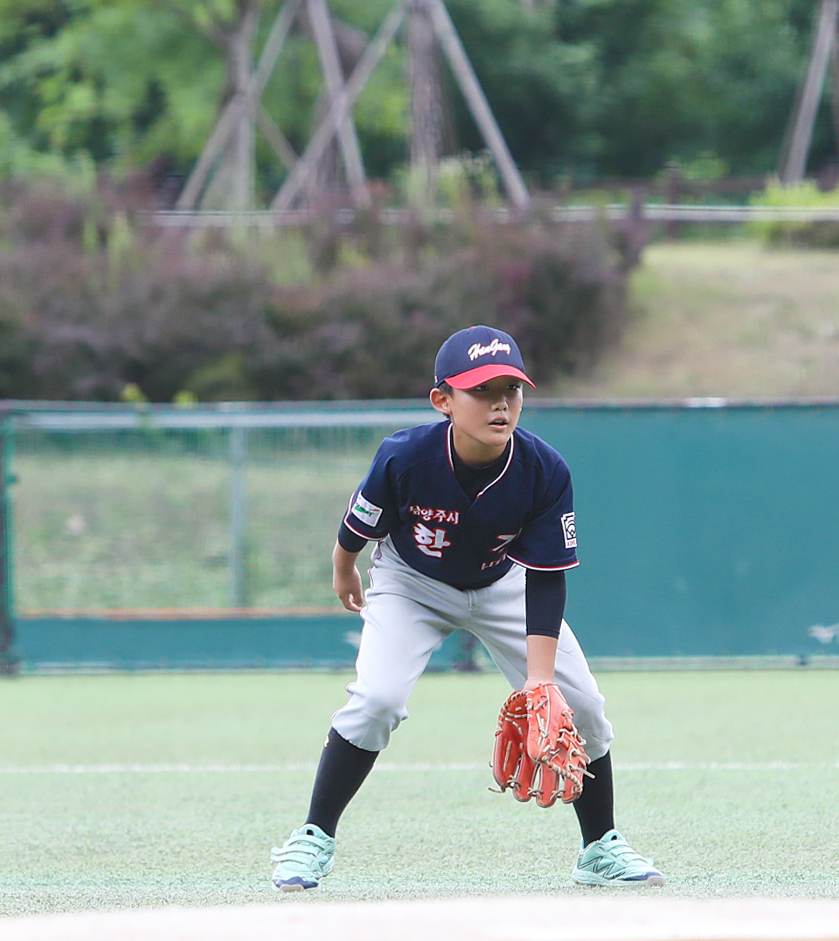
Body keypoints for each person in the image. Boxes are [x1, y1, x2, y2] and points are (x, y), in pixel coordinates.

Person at [268, 324, 664, 891]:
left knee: (582, 707)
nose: (500, 403)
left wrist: (540, 682)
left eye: (511, 389)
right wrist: (342, 568)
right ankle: (313, 837)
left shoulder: (544, 469)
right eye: (481, 390)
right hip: (412, 583)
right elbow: (359, 524)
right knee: (377, 701)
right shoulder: (406, 456)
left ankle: (599, 848)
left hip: (503, 582)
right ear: (443, 400)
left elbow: (546, 578)